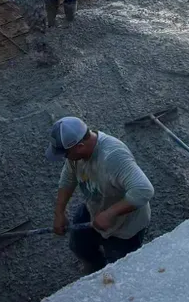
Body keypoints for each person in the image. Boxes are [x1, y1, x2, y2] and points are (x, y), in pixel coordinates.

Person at [47, 116, 154, 274]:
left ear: (80, 146)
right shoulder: (75, 155)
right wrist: (59, 212)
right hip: (96, 206)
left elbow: (144, 190)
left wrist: (110, 213)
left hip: (125, 226)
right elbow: (68, 178)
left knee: (119, 264)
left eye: (65, 154)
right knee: (79, 244)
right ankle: (95, 267)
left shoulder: (113, 156)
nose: (65, 158)